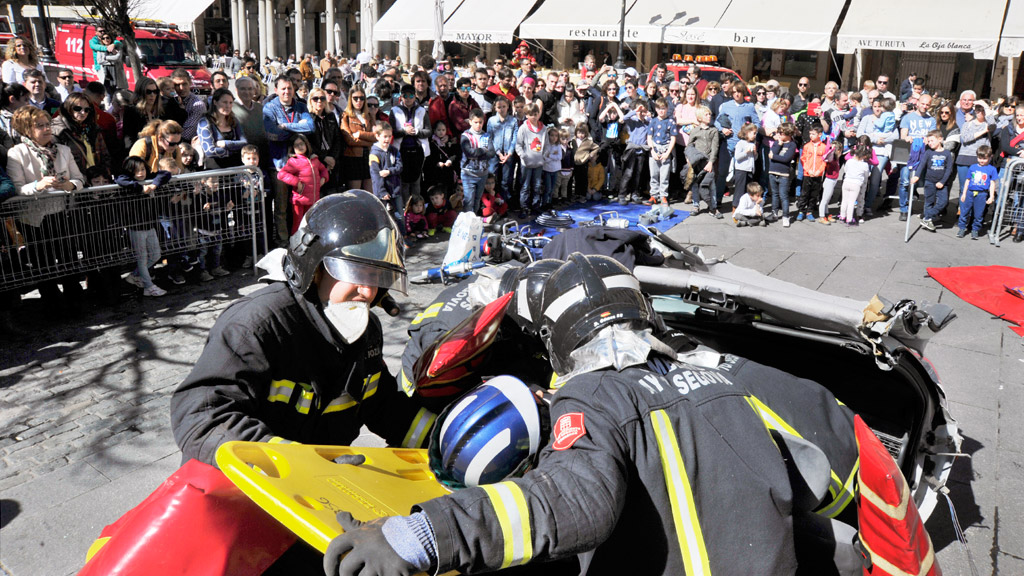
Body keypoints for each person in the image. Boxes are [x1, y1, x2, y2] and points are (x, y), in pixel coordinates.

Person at [325, 253, 861, 576]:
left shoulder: (594, 395)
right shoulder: (734, 377)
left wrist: (422, 536)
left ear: (560, 344)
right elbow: (839, 478)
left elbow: (576, 501)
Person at [172, 191, 433, 468]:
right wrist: (296, 463)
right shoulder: (256, 325)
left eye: (376, 277)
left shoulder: (365, 333)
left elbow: (383, 406)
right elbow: (201, 416)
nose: (367, 291)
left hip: (314, 490)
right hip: (238, 489)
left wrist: (447, 442)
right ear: (314, 267)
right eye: (354, 273)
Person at [5, 106, 87, 308]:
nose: (46, 128)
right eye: (39, 126)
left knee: (68, 259)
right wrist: (37, 186)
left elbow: (79, 178)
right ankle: (52, 305)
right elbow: (16, 188)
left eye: (47, 124)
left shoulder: (63, 150)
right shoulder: (17, 153)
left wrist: (70, 185)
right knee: (44, 263)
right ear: (27, 129)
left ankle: (76, 302)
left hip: (60, 213)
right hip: (33, 218)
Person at [264, 76, 314, 244]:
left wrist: (285, 126)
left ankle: (299, 237)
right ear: (276, 90)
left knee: (299, 205)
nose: (287, 91)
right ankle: (283, 241)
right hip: (279, 165)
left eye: (290, 88)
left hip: (300, 166)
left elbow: (310, 127)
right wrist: (297, 129)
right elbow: (273, 133)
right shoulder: (269, 108)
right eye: (283, 88)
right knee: (281, 207)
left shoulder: (300, 106)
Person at [115, 155, 172, 296]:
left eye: (142, 169)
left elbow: (165, 173)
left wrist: (153, 185)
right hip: (135, 227)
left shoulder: (150, 178)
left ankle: (135, 275)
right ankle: (148, 286)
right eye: (136, 171)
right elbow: (120, 179)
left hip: (150, 224)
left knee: (156, 254)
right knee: (142, 257)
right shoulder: (127, 182)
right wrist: (140, 188)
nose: (140, 173)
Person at [52, 93, 112, 186]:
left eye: (87, 110)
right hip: (74, 185)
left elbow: (105, 156)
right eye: (77, 109)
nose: (83, 112)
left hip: (95, 184)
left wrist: (102, 177)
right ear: (68, 107)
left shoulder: (93, 129)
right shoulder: (59, 130)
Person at [896, 94, 936, 220]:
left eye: (927, 104)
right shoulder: (908, 117)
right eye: (923, 103)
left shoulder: (931, 120)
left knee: (920, 181)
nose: (924, 106)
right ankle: (903, 208)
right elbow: (903, 135)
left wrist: (928, 139)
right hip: (908, 154)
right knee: (905, 181)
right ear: (917, 103)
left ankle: (914, 196)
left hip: (923, 154)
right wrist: (907, 137)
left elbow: (932, 137)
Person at [389, 84, 431, 204]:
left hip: (418, 150)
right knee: (403, 181)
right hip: (401, 150)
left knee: (416, 181)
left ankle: (417, 208)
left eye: (411, 95)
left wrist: (416, 132)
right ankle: (405, 209)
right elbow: (391, 132)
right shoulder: (394, 111)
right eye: (405, 96)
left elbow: (428, 131)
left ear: (415, 96)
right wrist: (404, 132)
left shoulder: (422, 111)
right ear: (401, 97)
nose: (408, 98)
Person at [856, 97, 898, 216]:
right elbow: (860, 134)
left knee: (875, 180)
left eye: (880, 106)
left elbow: (895, 136)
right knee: (862, 179)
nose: (877, 109)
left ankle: (868, 205)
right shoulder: (867, 118)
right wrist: (874, 139)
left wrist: (881, 140)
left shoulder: (889, 118)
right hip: (866, 152)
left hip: (881, 153)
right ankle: (859, 202)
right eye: (875, 106)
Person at [911, 130, 954, 232]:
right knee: (929, 202)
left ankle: (927, 216)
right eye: (928, 141)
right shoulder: (928, 152)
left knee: (943, 202)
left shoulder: (947, 153)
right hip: (929, 181)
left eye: (932, 141)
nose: (930, 143)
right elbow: (922, 165)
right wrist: (917, 176)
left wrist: (943, 182)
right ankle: (928, 220)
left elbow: (949, 169)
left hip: (942, 183)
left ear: (940, 139)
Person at [197, 88, 247, 169]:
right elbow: (210, 151)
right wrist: (234, 150)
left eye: (230, 103)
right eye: (224, 102)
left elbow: (244, 142)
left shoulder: (234, 121)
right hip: (215, 170)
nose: (228, 106)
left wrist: (226, 144)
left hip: (235, 167)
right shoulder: (205, 122)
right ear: (215, 102)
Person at [957, 145, 999, 240]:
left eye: (984, 158)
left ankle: (975, 229)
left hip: (982, 194)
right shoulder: (973, 167)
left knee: (978, 214)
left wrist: (991, 196)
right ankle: (962, 228)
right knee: (964, 211)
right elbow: (967, 180)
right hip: (970, 192)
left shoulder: (992, 169)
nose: (981, 160)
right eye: (979, 158)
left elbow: (992, 183)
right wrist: (964, 193)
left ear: (989, 157)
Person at [306, 87, 343, 193]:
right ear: (310, 101)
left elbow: (337, 138)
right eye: (315, 98)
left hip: (332, 161)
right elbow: (307, 142)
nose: (319, 101)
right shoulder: (308, 118)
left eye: (322, 98)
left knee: (332, 193)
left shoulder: (330, 116)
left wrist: (332, 158)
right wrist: (324, 157)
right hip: (316, 160)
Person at [368, 121, 404, 229]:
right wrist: (382, 191)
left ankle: (402, 237)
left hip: (395, 189)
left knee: (399, 216)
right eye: (384, 136)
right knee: (383, 217)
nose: (387, 139)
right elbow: (375, 175)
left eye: (389, 136)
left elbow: (400, 167)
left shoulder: (394, 150)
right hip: (382, 192)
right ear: (377, 136)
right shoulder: (374, 154)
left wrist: (389, 171)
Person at [340, 88, 376, 192]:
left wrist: (360, 134)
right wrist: (368, 141)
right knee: (355, 193)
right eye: (355, 98)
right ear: (350, 99)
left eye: (361, 98)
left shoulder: (368, 115)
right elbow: (350, 140)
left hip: (368, 156)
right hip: (353, 158)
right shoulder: (345, 115)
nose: (359, 101)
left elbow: (376, 136)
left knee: (369, 193)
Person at [687, 105, 720, 216]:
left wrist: (711, 162)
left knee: (711, 185)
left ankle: (713, 207)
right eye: (706, 114)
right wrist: (689, 159)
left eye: (709, 114)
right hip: (697, 163)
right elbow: (689, 146)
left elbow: (715, 148)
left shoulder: (714, 131)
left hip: (708, 163)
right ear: (700, 118)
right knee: (695, 184)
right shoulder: (695, 131)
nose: (709, 116)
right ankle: (696, 205)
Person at [515, 103, 546, 217]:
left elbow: (546, 145)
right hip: (526, 163)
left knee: (537, 186)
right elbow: (518, 145)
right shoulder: (523, 128)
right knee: (525, 186)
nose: (533, 117)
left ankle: (535, 206)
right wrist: (524, 157)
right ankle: (524, 207)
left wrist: (544, 157)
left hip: (538, 163)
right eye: (530, 114)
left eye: (535, 114)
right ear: (526, 115)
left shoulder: (544, 129)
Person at [461, 109, 494, 214]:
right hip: (468, 174)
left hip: (482, 173)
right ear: (470, 122)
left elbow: (492, 153)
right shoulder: (465, 136)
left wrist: (478, 154)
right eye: (476, 122)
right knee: (468, 201)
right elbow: (469, 153)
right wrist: (483, 151)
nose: (478, 125)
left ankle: (474, 221)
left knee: (477, 200)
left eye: (480, 122)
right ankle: (466, 222)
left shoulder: (486, 135)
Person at [487, 97, 519, 204]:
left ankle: (505, 202)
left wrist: (509, 152)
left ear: (508, 107)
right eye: (499, 107)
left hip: (508, 154)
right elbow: (489, 137)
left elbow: (515, 137)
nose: (502, 109)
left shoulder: (513, 121)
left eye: (504, 106)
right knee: (492, 176)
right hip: (495, 154)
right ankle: (492, 200)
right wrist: (498, 153)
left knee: (506, 179)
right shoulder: (491, 121)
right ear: (495, 108)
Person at [956, 104, 992, 193]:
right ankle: (963, 206)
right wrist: (983, 132)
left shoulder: (988, 124)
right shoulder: (967, 124)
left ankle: (974, 206)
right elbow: (965, 138)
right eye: (977, 110)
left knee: (977, 188)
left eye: (982, 110)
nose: (980, 112)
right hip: (964, 157)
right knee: (963, 187)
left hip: (980, 159)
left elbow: (993, 124)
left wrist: (986, 108)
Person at [647, 99, 676, 208]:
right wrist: (652, 150)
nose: (661, 111)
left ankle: (663, 195)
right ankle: (654, 195)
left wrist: (668, 152)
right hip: (655, 148)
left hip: (665, 149)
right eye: (659, 109)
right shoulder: (653, 121)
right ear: (656, 109)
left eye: (663, 108)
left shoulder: (670, 121)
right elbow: (649, 137)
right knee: (653, 174)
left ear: (667, 109)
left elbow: (673, 138)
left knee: (664, 175)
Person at [769, 122, 798, 227]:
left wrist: (774, 157)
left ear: (788, 134)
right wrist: (779, 144)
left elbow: (786, 159)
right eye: (778, 132)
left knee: (784, 196)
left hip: (784, 174)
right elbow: (771, 153)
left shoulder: (792, 145)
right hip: (772, 172)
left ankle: (786, 216)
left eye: (781, 133)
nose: (779, 134)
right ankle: (774, 212)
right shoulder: (777, 142)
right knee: (775, 194)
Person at [798, 125, 828, 223]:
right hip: (808, 174)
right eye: (810, 134)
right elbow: (803, 159)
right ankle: (801, 211)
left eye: (813, 134)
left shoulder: (824, 147)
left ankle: (809, 211)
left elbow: (825, 161)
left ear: (820, 135)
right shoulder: (807, 146)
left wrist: (819, 171)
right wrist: (808, 170)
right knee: (804, 193)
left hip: (818, 174)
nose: (811, 136)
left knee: (814, 194)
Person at [171, 69, 208, 141]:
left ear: (190, 83)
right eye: (177, 85)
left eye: (184, 84)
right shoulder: (170, 100)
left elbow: (187, 134)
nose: (181, 88)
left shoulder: (198, 105)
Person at [840, 146, 872, 226]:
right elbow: (866, 175)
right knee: (851, 202)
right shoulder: (864, 165)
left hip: (846, 181)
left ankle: (842, 216)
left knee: (844, 200)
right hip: (856, 184)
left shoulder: (849, 161)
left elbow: (845, 170)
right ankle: (849, 219)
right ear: (864, 156)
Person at [423, 122, 457, 194]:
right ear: (434, 131)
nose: (441, 132)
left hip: (447, 171)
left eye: (443, 130)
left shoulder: (449, 141)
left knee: (448, 191)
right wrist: (437, 163)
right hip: (435, 173)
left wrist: (450, 161)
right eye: (439, 130)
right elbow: (429, 157)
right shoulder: (431, 142)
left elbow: (454, 154)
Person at [733, 123, 758, 206]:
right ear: (747, 133)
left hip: (750, 169)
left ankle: (745, 206)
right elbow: (737, 157)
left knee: (747, 190)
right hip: (741, 170)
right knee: (739, 190)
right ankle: (735, 206)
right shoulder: (740, 143)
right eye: (753, 133)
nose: (755, 135)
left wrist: (755, 152)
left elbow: (755, 158)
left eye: (755, 133)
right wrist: (745, 152)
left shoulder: (752, 143)